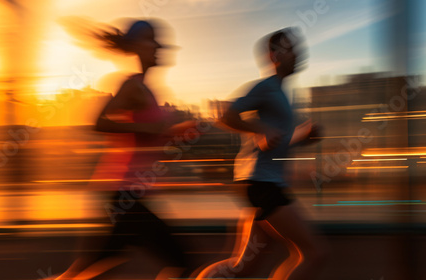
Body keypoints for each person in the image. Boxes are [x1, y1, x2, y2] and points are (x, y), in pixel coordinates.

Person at [50, 19, 195, 280]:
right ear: (137, 47)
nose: (159, 46)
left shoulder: (148, 90)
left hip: (126, 192)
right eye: (151, 39)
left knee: (99, 266)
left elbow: (148, 136)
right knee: (182, 261)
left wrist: (176, 132)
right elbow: (99, 122)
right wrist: (148, 129)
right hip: (124, 193)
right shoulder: (133, 86)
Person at [194, 28, 328, 280]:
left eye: (298, 49)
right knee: (314, 252)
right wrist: (259, 128)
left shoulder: (284, 95)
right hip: (262, 185)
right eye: (291, 50)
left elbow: (276, 143)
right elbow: (225, 115)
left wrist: (303, 138)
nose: (298, 54)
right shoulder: (267, 88)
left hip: (261, 184)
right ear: (273, 55)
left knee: (243, 266)